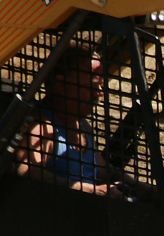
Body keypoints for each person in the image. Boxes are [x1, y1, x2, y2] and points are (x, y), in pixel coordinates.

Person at [14, 46, 153, 200]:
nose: (99, 93)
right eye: (92, 86)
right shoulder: (43, 127)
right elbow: (26, 171)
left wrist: (147, 190)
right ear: (60, 85)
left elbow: (101, 169)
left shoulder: (83, 127)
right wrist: (91, 190)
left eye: (100, 86)